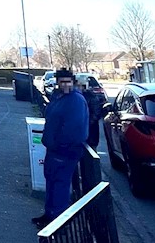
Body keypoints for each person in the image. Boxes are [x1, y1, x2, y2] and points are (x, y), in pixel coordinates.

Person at [34, 68, 88, 228]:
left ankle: (58, 223)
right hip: (54, 148)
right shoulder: (59, 97)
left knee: (60, 184)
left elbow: (75, 128)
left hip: (65, 150)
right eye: (61, 82)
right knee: (51, 181)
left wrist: (60, 144)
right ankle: (49, 214)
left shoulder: (75, 100)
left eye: (67, 82)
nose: (64, 85)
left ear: (73, 82)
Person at [80, 78, 106, 149]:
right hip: (82, 133)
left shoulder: (91, 97)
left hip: (91, 132)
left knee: (90, 150)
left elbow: (96, 113)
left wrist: (87, 123)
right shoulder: (75, 97)